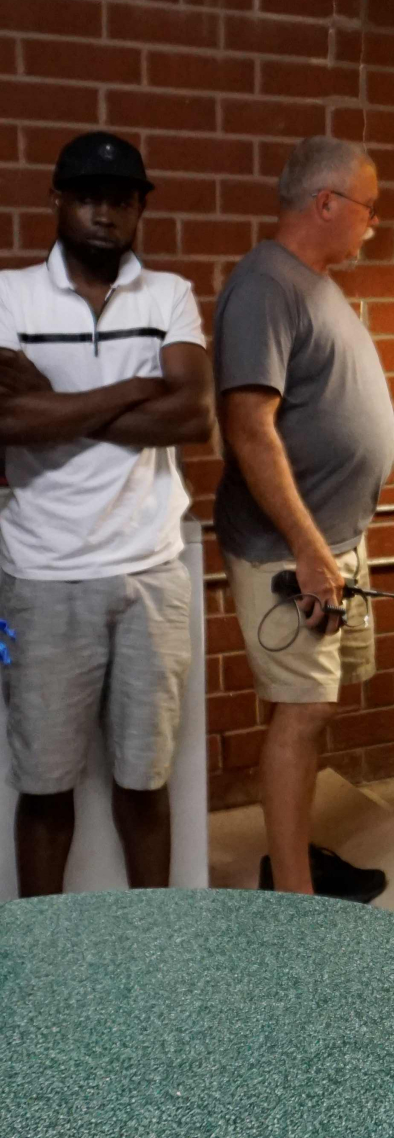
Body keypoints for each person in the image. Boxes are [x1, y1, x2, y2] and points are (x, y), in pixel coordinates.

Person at [213, 136, 394, 898]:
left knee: (314, 708)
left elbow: (319, 408)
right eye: (368, 207)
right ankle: (294, 899)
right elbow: (250, 428)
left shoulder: (313, 282)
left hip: (331, 542)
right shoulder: (266, 285)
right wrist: (308, 547)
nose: (375, 223)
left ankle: (293, 857)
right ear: (325, 203)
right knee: (302, 711)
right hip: (291, 551)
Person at [0, 132, 214, 893]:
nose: (105, 213)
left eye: (121, 200)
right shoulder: (10, 296)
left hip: (149, 573)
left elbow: (193, 416)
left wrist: (51, 403)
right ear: (57, 200)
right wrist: (133, 388)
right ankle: (37, 960)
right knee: (45, 785)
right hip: (42, 575)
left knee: (144, 781)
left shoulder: (168, 296)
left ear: (138, 210)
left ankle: (149, 945)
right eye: (88, 196)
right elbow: (6, 424)